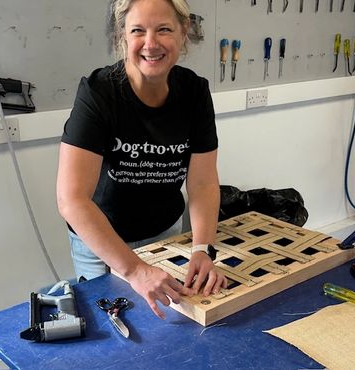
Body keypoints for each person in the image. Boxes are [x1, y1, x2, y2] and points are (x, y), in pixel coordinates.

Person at [56, 0, 227, 320]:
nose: (151, 44)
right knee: (111, 326)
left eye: (164, 29)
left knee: (166, 325)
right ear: (123, 34)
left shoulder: (194, 92)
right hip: (101, 240)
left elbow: (203, 182)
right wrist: (134, 270)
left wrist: (202, 248)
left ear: (183, 31)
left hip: (166, 231)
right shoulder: (99, 93)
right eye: (138, 31)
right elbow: (72, 200)